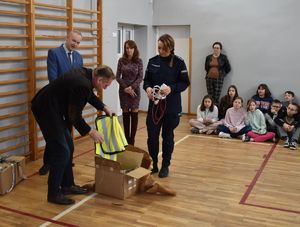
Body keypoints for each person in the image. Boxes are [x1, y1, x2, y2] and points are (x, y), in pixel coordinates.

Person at [31, 65, 115, 205]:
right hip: (46, 109)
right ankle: (53, 193)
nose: (105, 88)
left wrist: (103, 106)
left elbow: (89, 94)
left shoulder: (87, 74)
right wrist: (90, 131)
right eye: (106, 85)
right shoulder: (82, 83)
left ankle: (67, 185)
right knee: (61, 151)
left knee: (68, 146)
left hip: (54, 108)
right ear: (99, 79)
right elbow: (74, 116)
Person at [143, 34, 190, 178]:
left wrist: (172, 88)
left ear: (170, 47)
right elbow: (146, 81)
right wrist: (148, 89)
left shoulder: (179, 62)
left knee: (167, 137)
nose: (160, 51)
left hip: (171, 107)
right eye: (158, 48)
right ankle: (154, 164)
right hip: (154, 107)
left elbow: (185, 83)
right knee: (152, 137)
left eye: (163, 48)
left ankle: (165, 166)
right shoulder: (153, 61)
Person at [39, 30, 84, 175]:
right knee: (55, 133)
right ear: (67, 38)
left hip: (71, 103)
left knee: (67, 132)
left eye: (78, 42)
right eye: (73, 41)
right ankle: (47, 162)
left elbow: (79, 79)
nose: (75, 44)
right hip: (56, 102)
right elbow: (53, 78)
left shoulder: (78, 57)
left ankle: (67, 159)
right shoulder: (54, 53)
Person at [116, 40, 143, 146]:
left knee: (134, 114)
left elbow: (140, 77)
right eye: (127, 48)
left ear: (134, 49)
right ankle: (126, 139)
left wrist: (132, 87)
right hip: (124, 90)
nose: (129, 50)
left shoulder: (139, 61)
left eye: (131, 48)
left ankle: (132, 140)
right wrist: (126, 88)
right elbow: (118, 76)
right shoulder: (121, 60)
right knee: (126, 114)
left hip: (135, 91)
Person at [205, 41, 231, 106]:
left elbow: (228, 68)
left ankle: (216, 112)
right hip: (209, 78)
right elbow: (206, 67)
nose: (216, 49)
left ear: (220, 49)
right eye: (215, 47)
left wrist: (222, 75)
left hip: (219, 79)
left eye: (217, 48)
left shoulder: (223, 57)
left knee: (216, 96)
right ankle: (209, 110)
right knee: (210, 96)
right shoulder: (208, 57)